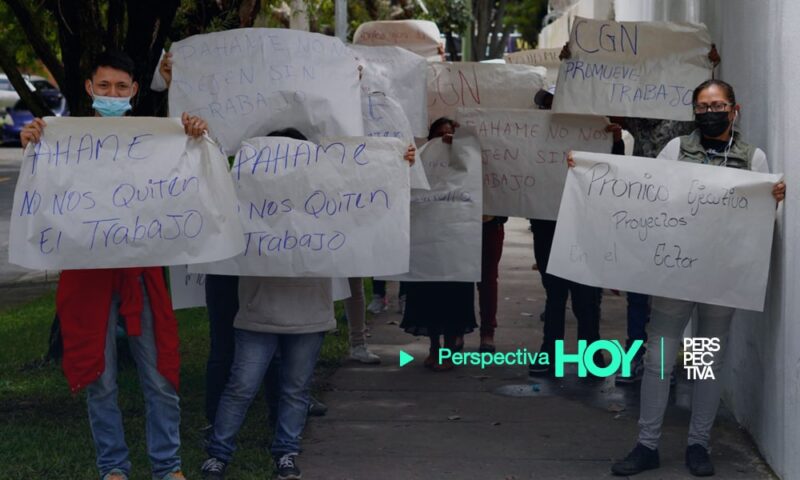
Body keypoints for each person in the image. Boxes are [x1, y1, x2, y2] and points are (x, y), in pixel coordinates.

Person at [20, 50, 208, 480]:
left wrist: (194, 135)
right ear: (89, 89)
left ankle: (168, 466)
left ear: (134, 91)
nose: (112, 94)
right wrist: (33, 140)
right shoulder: (63, 138)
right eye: (103, 86)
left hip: (140, 271)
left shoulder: (155, 137)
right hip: (87, 276)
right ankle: (113, 467)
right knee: (99, 376)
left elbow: (187, 171)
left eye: (121, 87)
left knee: (158, 374)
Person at [201, 129, 415, 480]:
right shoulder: (246, 198)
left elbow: (373, 206)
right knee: (241, 386)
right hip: (258, 315)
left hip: (309, 317)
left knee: (295, 390)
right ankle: (219, 454)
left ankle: (285, 453)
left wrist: (395, 165)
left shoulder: (329, 198)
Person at [608, 79, 785, 477]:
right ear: (694, 112)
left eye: (718, 105)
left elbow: (757, 223)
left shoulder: (752, 158)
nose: (710, 112)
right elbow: (649, 198)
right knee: (659, 358)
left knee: (706, 359)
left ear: (735, 110)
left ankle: (698, 444)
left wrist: (771, 201)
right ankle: (647, 444)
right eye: (703, 106)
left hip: (721, 278)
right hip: (676, 271)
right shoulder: (676, 150)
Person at [527, 89, 620, 377]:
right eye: (548, 104)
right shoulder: (534, 136)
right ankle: (550, 353)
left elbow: (616, 170)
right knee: (554, 294)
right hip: (547, 225)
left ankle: (590, 355)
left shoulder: (594, 132)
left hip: (585, 224)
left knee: (585, 297)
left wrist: (614, 141)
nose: (553, 108)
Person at [400, 117, 477, 371]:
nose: (445, 139)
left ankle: (449, 348)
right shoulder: (420, 160)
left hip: (456, 246)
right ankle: (435, 347)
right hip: (428, 244)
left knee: (452, 298)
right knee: (430, 297)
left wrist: (463, 146)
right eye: (440, 134)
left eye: (451, 134)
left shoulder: (469, 163)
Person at [477, 214, 507, 353]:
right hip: (459, 219)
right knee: (460, 280)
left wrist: (498, 215)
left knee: (488, 279)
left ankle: (487, 332)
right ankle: (458, 330)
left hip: (491, 223)